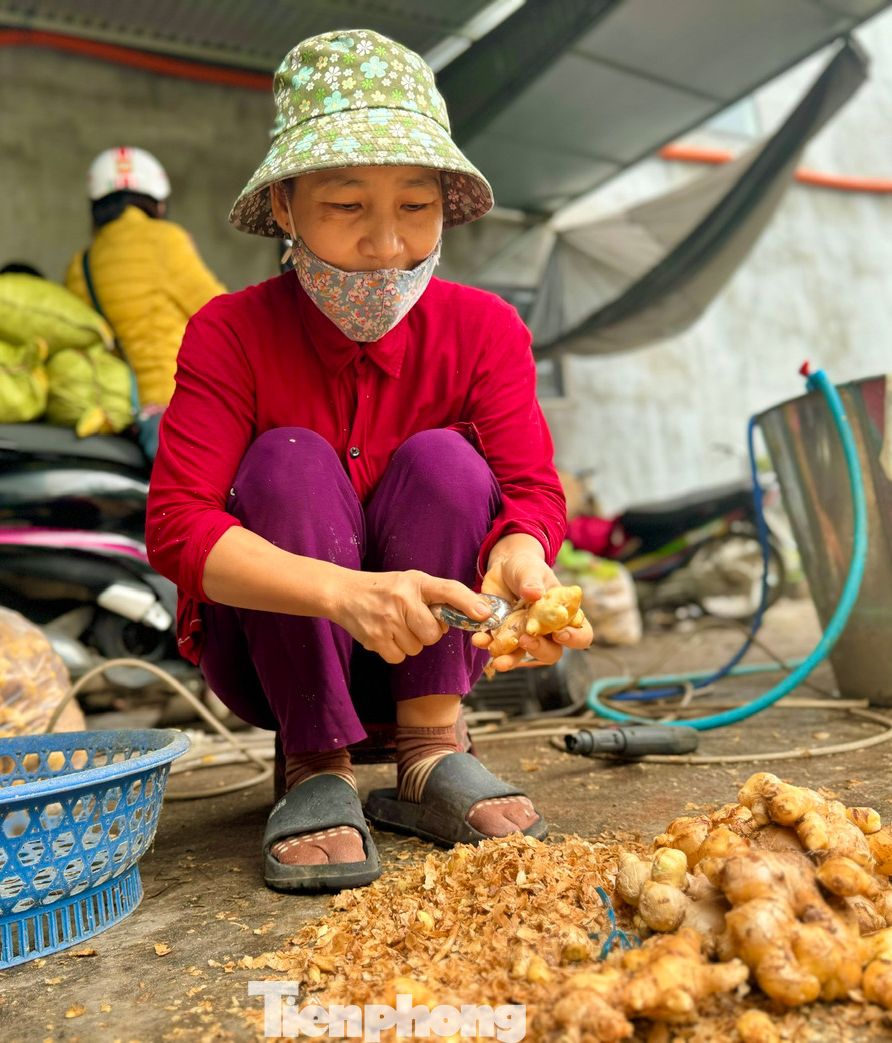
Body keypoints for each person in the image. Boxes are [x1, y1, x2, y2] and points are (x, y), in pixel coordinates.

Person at [145, 29, 593, 894]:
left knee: (445, 462)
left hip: (436, 650)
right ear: (284, 207)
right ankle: (315, 762)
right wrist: (341, 593)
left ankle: (430, 746)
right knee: (288, 462)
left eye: (415, 207)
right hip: (270, 662)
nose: (388, 245)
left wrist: (523, 559)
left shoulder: (485, 330)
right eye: (347, 207)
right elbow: (177, 527)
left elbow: (532, 492)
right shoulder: (229, 333)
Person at [64, 147, 227, 413]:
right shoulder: (166, 240)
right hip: (172, 405)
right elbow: (222, 318)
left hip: (112, 411)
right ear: (158, 203)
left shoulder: (79, 265)